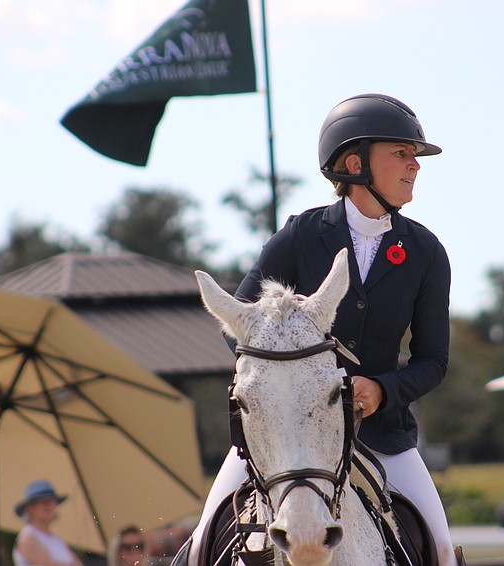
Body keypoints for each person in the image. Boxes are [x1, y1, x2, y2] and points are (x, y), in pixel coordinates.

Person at [180, 93, 460, 566]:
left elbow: (434, 360)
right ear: (355, 163)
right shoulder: (300, 236)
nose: (414, 165)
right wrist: (292, 368)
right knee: (202, 541)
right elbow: (238, 323)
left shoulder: (425, 252)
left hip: (381, 436)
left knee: (441, 547)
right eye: (401, 153)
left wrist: (383, 389)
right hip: (283, 436)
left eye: (414, 156)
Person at [13, 479, 83, 566]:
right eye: (42, 501)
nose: (48, 504)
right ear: (30, 508)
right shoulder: (27, 538)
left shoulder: (56, 539)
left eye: (52, 500)